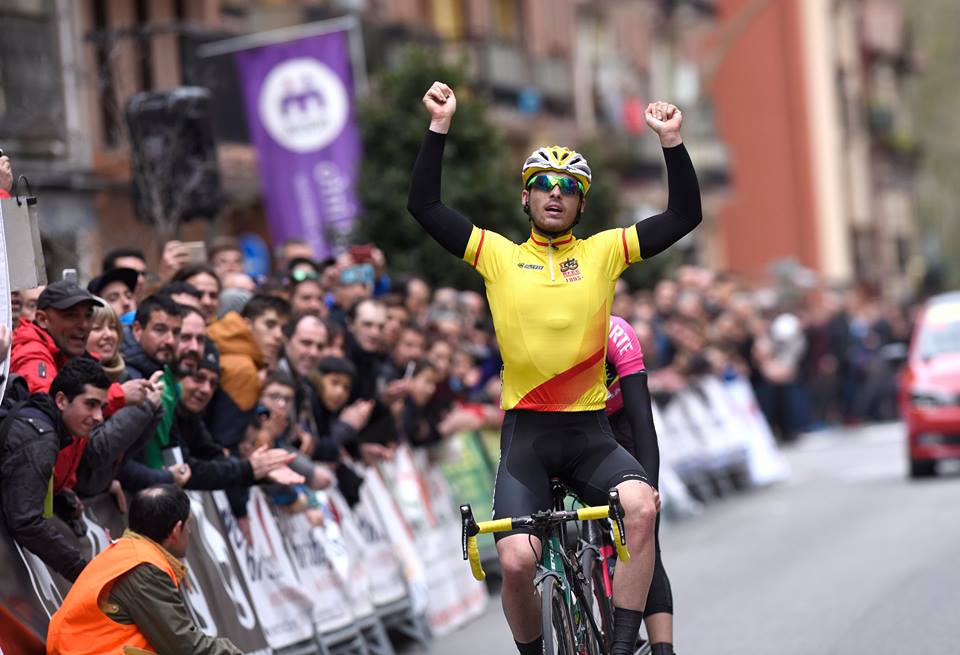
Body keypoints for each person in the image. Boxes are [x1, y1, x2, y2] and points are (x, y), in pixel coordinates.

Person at [407, 82, 701, 655]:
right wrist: (438, 127)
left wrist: (672, 143)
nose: (555, 194)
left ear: (581, 204)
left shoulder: (604, 251)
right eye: (543, 185)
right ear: (526, 197)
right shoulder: (496, 255)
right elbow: (425, 207)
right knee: (516, 561)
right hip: (527, 435)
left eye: (570, 188)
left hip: (589, 430)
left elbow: (684, 214)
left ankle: (619, 645)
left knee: (641, 506)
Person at [0, 358, 164, 581]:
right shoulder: (41, 440)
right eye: (90, 404)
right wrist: (87, 574)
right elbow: (26, 523)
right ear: (61, 400)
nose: (98, 417)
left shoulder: (41, 420)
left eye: (102, 407)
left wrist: (60, 498)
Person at [46, 484, 243, 654]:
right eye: (188, 525)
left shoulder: (127, 553)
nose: (190, 532)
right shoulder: (145, 569)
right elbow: (186, 647)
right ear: (176, 530)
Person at [605, 316, 675, 655]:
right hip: (575, 426)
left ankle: (664, 648)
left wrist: (650, 485)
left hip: (621, 423)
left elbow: (642, 422)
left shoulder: (617, 333)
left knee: (645, 536)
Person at [207, 294, 290, 451]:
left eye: (283, 329)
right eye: (270, 325)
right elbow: (225, 442)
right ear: (247, 325)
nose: (279, 335)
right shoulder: (244, 370)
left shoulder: (219, 345)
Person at [86, 300, 126, 382]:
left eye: (112, 327)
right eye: (97, 328)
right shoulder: (71, 378)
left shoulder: (126, 376)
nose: (109, 334)